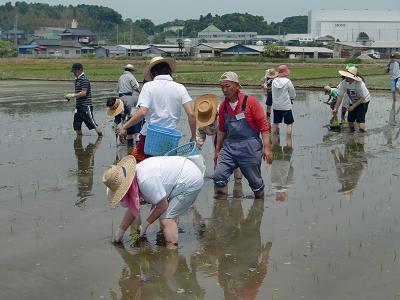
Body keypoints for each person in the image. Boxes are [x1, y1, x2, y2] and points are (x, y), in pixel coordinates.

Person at [102, 154, 205, 248]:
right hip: (183, 171)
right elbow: (132, 209)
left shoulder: (145, 181)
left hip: (190, 179)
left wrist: (145, 225)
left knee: (167, 218)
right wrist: (119, 235)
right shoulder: (135, 175)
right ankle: (167, 239)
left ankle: (172, 251)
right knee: (162, 216)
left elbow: (163, 205)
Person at [119, 57, 196, 162]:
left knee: (135, 167)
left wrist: (125, 127)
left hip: (149, 137)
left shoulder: (148, 87)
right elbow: (191, 114)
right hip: (170, 139)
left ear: (152, 73)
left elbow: (142, 112)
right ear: (169, 71)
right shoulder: (180, 87)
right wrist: (193, 136)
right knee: (165, 169)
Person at [213, 72, 273, 199]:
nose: (224, 90)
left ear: (237, 86)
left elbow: (264, 125)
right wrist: (218, 150)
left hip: (250, 145)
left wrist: (266, 148)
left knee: (255, 184)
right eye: (222, 86)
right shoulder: (223, 106)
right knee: (219, 176)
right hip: (230, 146)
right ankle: (222, 211)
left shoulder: (250, 101)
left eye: (227, 86)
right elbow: (222, 129)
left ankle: (259, 207)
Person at [195, 93, 242, 180]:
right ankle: (219, 180)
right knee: (217, 157)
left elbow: (241, 117)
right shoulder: (201, 118)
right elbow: (198, 140)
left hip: (232, 130)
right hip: (217, 133)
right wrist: (194, 152)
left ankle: (238, 182)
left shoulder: (225, 109)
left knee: (235, 157)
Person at [65, 63, 103, 137]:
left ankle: (100, 137)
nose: (74, 73)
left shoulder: (84, 79)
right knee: (76, 126)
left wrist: (72, 95)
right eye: (73, 72)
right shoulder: (77, 80)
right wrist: (69, 99)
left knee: (92, 124)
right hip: (78, 107)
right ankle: (79, 141)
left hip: (86, 106)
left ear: (80, 70)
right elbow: (78, 93)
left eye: (75, 71)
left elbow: (83, 93)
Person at [333, 66, 371, 132]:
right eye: (346, 75)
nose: (345, 77)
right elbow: (340, 96)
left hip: (363, 101)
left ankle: (361, 136)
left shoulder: (359, 84)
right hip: (353, 100)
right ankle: (352, 134)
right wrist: (336, 108)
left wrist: (353, 106)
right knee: (350, 120)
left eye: (348, 76)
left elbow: (362, 98)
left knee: (360, 120)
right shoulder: (344, 83)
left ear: (352, 77)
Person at [117, 64, 143, 145]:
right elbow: (136, 87)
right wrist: (141, 94)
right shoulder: (131, 76)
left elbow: (117, 89)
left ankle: (128, 143)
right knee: (134, 117)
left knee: (124, 118)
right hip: (129, 99)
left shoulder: (120, 77)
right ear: (131, 70)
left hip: (121, 99)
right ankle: (136, 144)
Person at [271, 64, 296, 135]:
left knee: (275, 123)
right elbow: (292, 93)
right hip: (286, 106)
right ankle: (288, 142)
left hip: (276, 106)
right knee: (289, 124)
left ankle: (272, 140)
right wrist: (292, 98)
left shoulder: (274, 81)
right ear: (286, 72)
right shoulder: (288, 81)